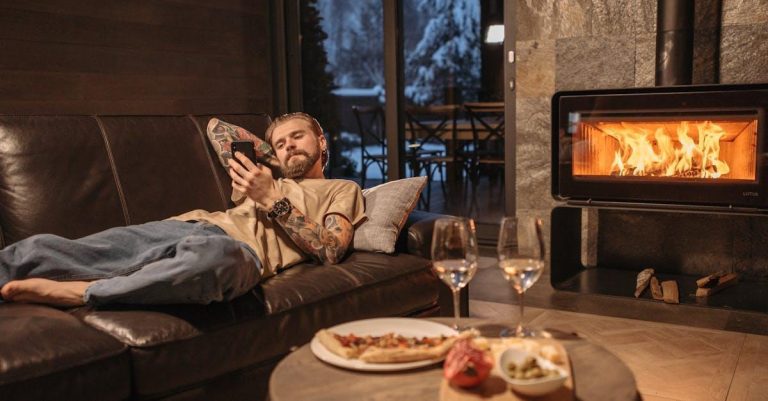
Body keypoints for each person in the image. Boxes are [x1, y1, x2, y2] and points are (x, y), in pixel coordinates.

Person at [0, 112, 365, 307]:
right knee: (39, 249)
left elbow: (330, 250)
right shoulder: (266, 176)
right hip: (188, 226)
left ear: (321, 140)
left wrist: (271, 198)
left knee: (213, 263)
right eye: (280, 143)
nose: (288, 146)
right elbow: (216, 127)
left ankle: (86, 293)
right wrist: (270, 164)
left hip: (239, 254)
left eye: (297, 137)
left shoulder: (341, 188)